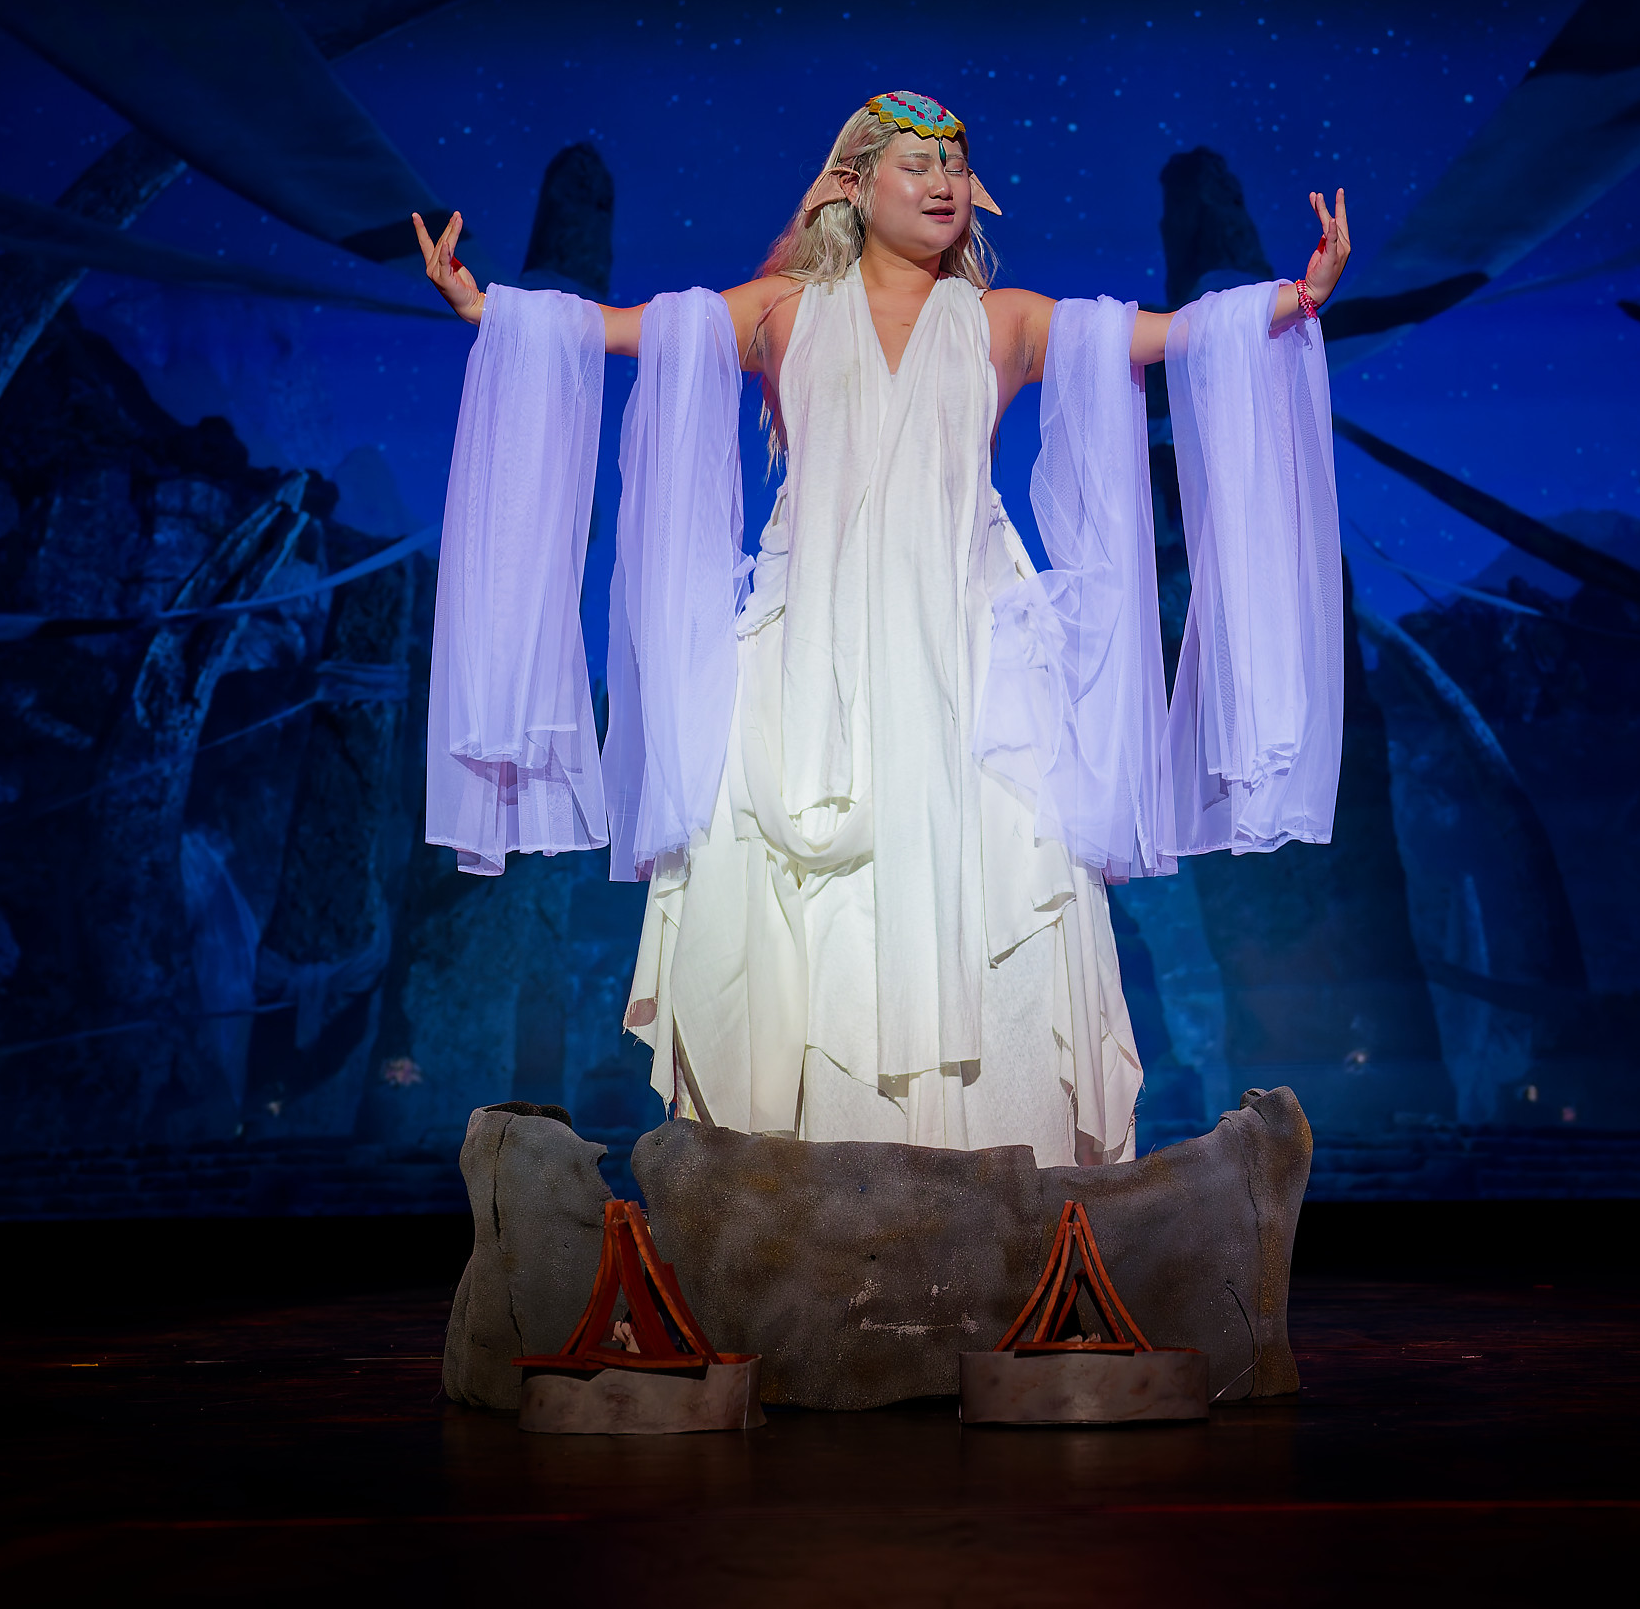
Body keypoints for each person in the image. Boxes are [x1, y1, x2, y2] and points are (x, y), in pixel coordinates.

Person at [413, 92, 1348, 1165]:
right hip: (807, 662)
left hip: (969, 669)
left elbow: (1172, 337)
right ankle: (799, 1198)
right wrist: (490, 308)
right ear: (855, 184)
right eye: (916, 163)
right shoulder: (785, 310)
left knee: (1003, 900)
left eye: (955, 164)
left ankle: (997, 1186)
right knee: (789, 916)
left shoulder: (1004, 320)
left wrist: (1296, 298)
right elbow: (633, 330)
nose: (943, 183)